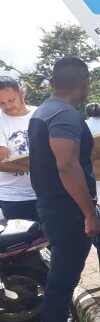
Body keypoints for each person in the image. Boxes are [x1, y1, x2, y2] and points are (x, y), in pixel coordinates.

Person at [30, 57, 100, 322]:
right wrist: (87, 213)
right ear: (85, 84)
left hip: (63, 204)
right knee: (61, 283)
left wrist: (90, 205)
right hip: (66, 211)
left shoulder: (45, 110)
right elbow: (67, 166)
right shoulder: (64, 114)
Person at [0, 77, 39, 221]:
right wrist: (35, 167)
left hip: (47, 193)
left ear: (22, 93)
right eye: (1, 103)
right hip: (15, 198)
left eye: (11, 100)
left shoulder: (41, 114)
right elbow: (1, 162)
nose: (7, 106)